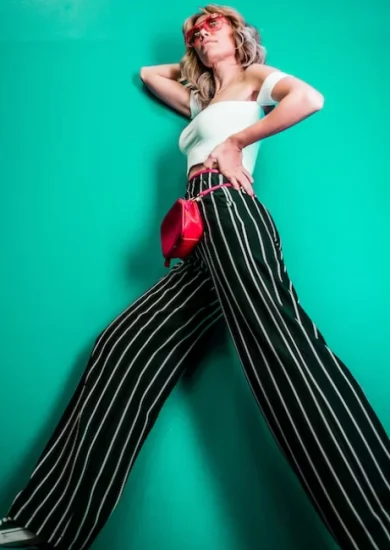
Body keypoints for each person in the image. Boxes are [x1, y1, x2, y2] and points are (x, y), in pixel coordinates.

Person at [1, 4, 389, 550]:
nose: (203, 32)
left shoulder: (254, 80)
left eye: (213, 24)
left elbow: (310, 99)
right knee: (124, 346)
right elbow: (149, 76)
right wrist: (197, 56)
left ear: (239, 34)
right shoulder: (202, 99)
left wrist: (235, 141)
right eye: (196, 29)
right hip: (198, 229)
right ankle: (48, 525)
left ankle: (379, 521)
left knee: (281, 352)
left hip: (231, 209)